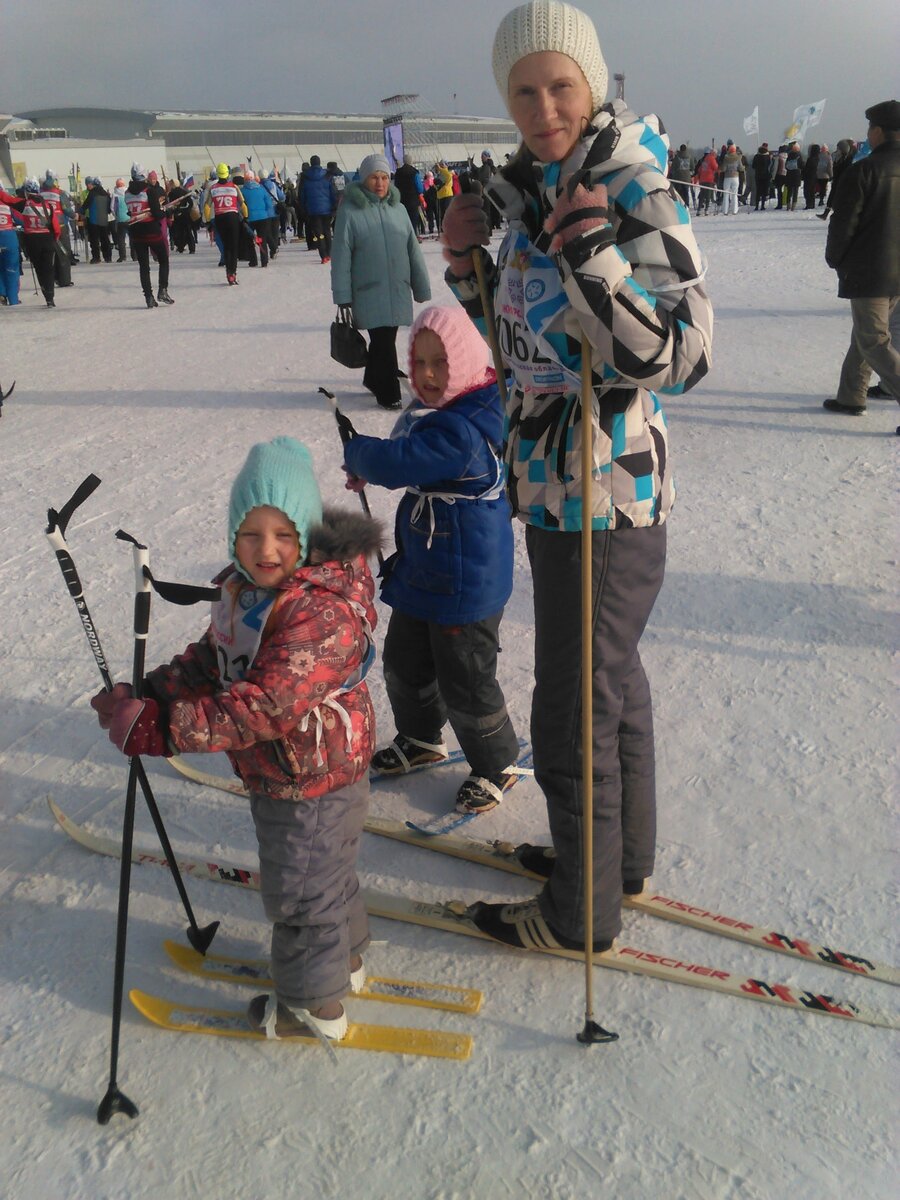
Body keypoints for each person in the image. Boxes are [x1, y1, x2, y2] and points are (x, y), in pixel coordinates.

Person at [440, 0, 713, 953]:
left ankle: (580, 915)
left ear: (592, 85)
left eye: (561, 84)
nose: (544, 104)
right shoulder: (539, 185)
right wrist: (471, 262)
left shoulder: (632, 185)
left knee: (573, 709)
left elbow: (682, 355)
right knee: (612, 688)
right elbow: (523, 343)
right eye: (524, 89)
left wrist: (594, 256)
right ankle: (615, 865)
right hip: (556, 486)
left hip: (608, 490)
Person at [91, 437, 381, 1041]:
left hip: (312, 776)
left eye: (282, 534)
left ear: (306, 535)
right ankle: (343, 962)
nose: (266, 549)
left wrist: (163, 729)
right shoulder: (244, 593)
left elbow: (265, 706)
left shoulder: (318, 612)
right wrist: (151, 691)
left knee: (301, 895)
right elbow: (211, 662)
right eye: (251, 534)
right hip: (289, 771)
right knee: (324, 876)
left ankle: (312, 1008)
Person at [343, 305, 521, 812]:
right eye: (417, 362)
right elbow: (409, 460)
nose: (424, 374)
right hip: (427, 571)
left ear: (463, 363)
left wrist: (362, 455)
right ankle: (421, 738)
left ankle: (495, 762)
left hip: (466, 583)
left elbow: (404, 461)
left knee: (465, 678)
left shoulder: (465, 427)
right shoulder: (445, 414)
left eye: (439, 362)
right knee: (405, 663)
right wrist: (374, 468)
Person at [330, 153, 431, 410]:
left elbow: (413, 250)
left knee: (385, 337)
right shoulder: (350, 212)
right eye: (374, 177)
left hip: (397, 286)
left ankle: (373, 378)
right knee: (384, 340)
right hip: (368, 290)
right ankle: (388, 392)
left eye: (384, 177)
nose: (380, 183)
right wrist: (342, 295)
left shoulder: (398, 210)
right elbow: (341, 255)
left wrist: (421, 285)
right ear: (364, 179)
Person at [823, 99, 900, 416]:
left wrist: (836, 259)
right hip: (893, 270)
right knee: (867, 334)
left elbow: (844, 224)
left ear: (878, 131)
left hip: (871, 269)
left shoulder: (864, 171)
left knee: (873, 339)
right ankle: (851, 395)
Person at [125, 163, 173, 307]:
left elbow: (130, 211)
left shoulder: (126, 193)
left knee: (144, 266)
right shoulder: (149, 191)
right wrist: (167, 211)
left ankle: (148, 297)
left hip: (136, 233)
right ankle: (162, 290)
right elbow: (157, 213)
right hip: (151, 230)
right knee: (163, 258)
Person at [18, 178, 62, 307]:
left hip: (32, 240)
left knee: (39, 268)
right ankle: (50, 297)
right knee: (49, 268)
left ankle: (45, 293)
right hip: (48, 238)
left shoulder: (24, 204)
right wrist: (56, 237)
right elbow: (56, 226)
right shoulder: (47, 205)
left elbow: (18, 217)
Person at [203, 163, 248, 285]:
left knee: (226, 246)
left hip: (220, 218)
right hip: (232, 217)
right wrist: (245, 218)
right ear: (228, 174)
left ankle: (228, 271)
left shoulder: (213, 189)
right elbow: (243, 205)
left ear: (218, 174)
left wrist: (208, 222)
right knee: (234, 247)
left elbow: (207, 207)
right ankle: (233, 273)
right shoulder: (234, 187)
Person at [301, 155, 336, 263]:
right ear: (320, 163)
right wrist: (333, 206)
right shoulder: (327, 175)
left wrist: (304, 207)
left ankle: (323, 255)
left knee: (318, 233)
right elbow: (332, 193)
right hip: (326, 208)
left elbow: (302, 195)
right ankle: (329, 253)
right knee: (326, 231)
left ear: (311, 163)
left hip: (313, 210)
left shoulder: (305, 177)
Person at [0, 185, 23, 305]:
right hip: (8, 238)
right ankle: (13, 299)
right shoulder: (8, 205)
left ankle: (1, 293)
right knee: (12, 269)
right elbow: (21, 220)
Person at [752, 143, 772, 210]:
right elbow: (770, 166)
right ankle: (762, 206)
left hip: (758, 175)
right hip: (766, 175)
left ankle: (757, 206)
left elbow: (753, 166)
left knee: (758, 190)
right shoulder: (768, 157)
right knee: (764, 191)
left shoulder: (756, 156)